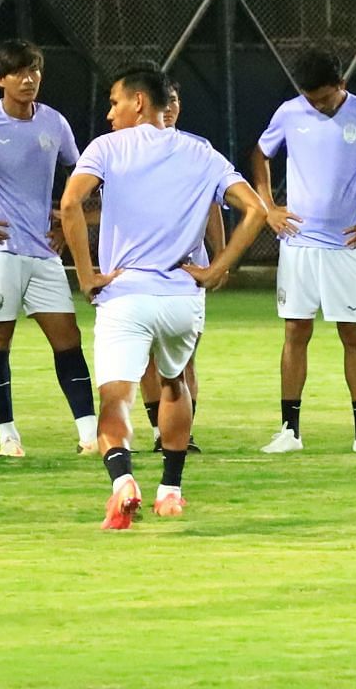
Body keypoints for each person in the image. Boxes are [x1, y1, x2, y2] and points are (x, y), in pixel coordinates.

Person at [60, 64, 268, 527]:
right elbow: (256, 209)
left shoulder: (108, 147)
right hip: (181, 296)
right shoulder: (201, 152)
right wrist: (218, 267)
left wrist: (86, 273)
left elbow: (71, 203)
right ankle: (170, 490)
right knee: (174, 383)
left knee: (115, 398)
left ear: (138, 102)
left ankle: (122, 481)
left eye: (114, 103)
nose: (110, 114)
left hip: (126, 293)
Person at [252, 47, 356, 456]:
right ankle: (289, 430)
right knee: (294, 332)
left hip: (347, 246)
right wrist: (269, 207)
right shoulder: (289, 113)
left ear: (342, 85)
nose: (316, 105)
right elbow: (260, 154)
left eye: (323, 97)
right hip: (298, 243)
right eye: (309, 98)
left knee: (352, 334)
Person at [0, 39, 96, 458]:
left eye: (34, 70)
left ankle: (90, 434)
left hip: (43, 252)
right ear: (1, 79)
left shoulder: (54, 123)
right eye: (19, 72)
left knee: (68, 338)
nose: (29, 79)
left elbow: (83, 177)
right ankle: (7, 436)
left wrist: (68, 226)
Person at [141, 82, 211, 453]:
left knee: (184, 357)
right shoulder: (124, 150)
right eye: (162, 100)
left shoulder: (198, 149)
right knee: (147, 357)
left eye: (174, 100)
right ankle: (158, 432)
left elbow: (214, 204)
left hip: (188, 270)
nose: (169, 107)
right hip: (140, 271)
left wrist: (217, 258)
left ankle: (184, 434)